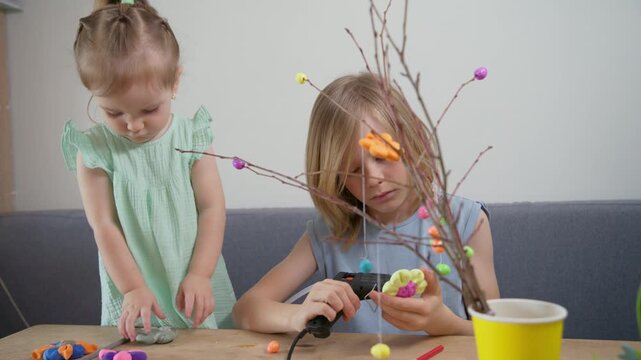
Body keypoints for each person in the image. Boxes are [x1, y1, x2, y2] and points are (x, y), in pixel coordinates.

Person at [232, 72, 499, 336]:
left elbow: (498, 332)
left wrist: (442, 323)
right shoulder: (331, 232)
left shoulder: (465, 221)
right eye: (352, 169)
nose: (373, 179)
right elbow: (246, 309)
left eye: (382, 157)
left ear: (412, 142)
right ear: (334, 177)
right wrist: (297, 315)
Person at [61, 0, 235, 341]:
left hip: (193, 281)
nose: (134, 125)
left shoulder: (191, 136)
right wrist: (132, 288)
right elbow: (104, 225)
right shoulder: (95, 151)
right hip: (134, 290)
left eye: (149, 109)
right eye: (114, 113)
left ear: (175, 82)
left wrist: (200, 274)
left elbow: (211, 208)